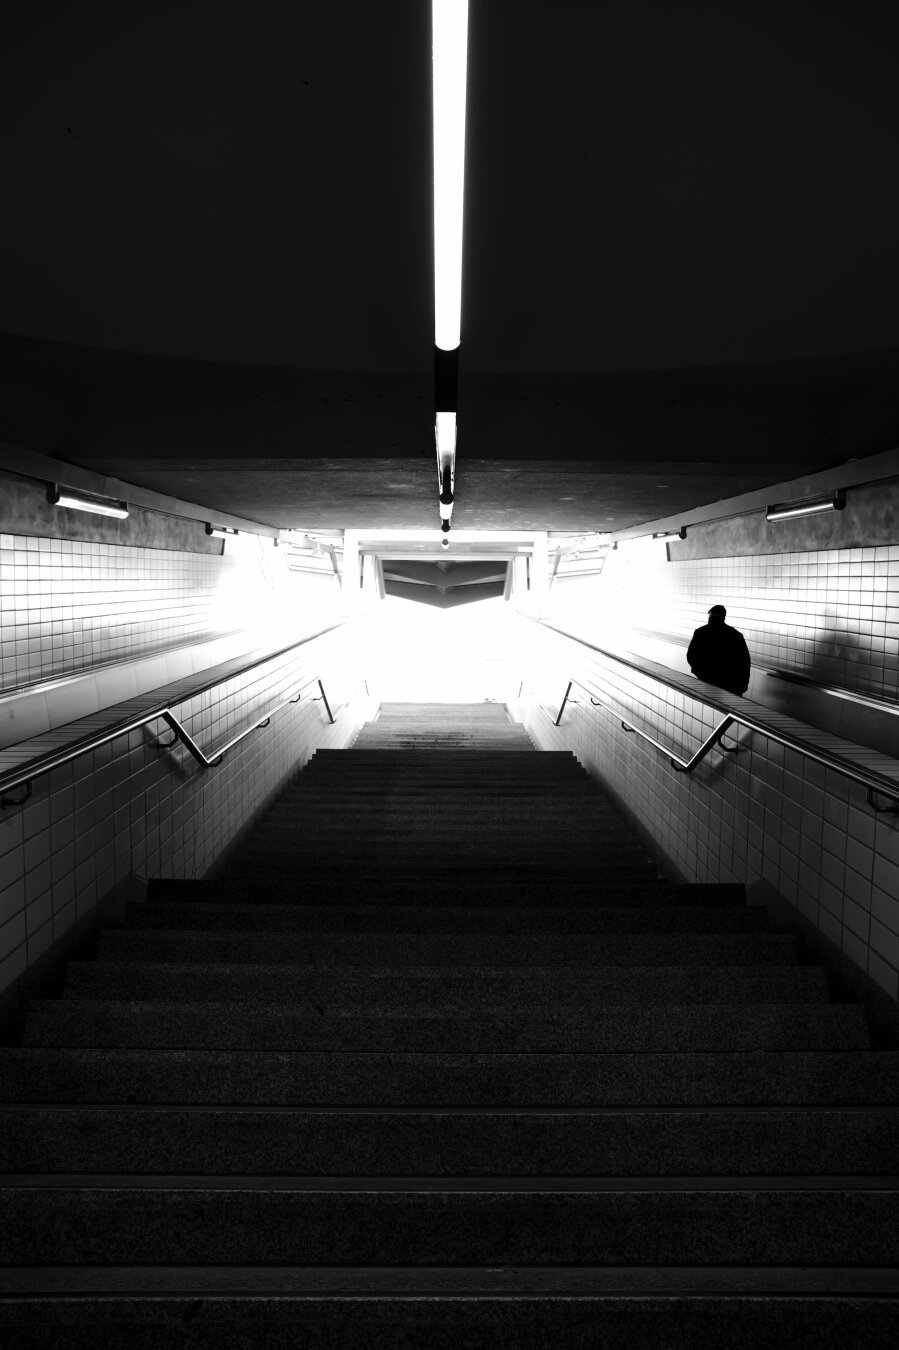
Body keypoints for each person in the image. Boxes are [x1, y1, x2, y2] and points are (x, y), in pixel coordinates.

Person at [687, 605, 751, 696]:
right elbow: (744, 662)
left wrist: (700, 673)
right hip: (730, 684)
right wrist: (742, 685)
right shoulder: (735, 635)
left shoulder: (701, 632)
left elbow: (691, 656)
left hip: (707, 682)